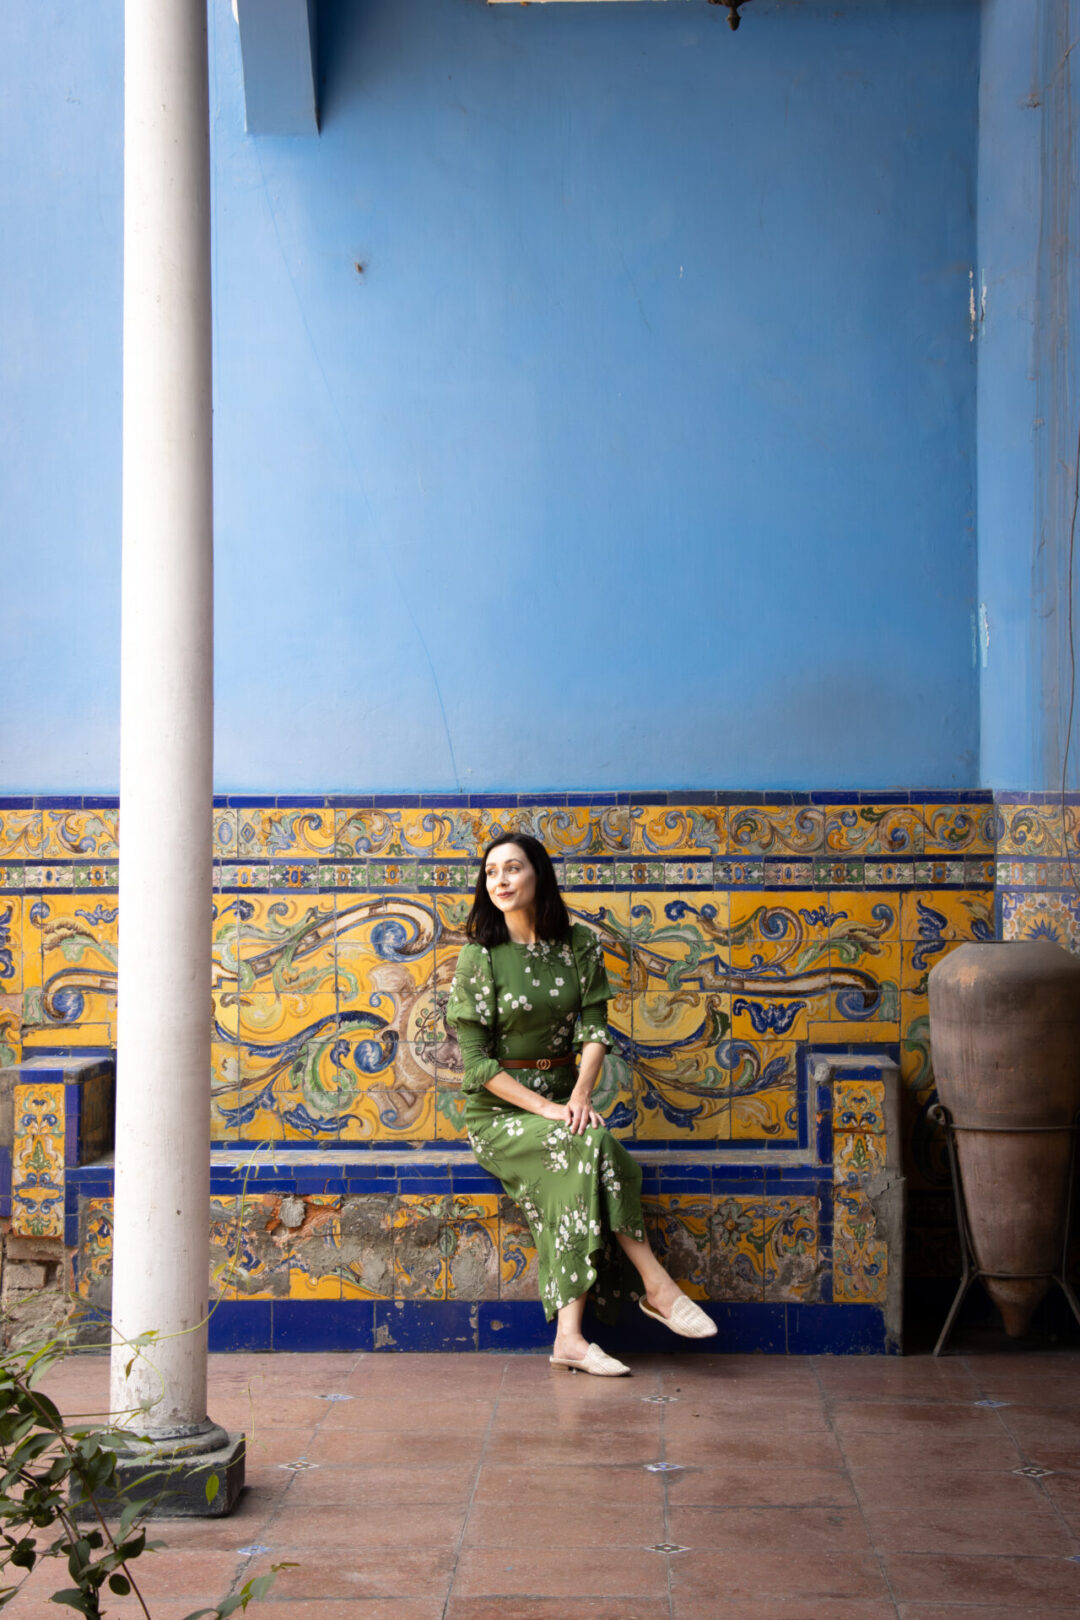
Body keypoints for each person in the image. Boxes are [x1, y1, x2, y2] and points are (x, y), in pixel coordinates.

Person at [446, 832, 717, 1376]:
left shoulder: (580, 946)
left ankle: (571, 1338)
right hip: (500, 1113)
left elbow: (595, 1027)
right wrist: (545, 1110)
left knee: (591, 1146)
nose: (499, 880)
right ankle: (656, 1288)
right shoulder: (481, 957)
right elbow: (475, 1065)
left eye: (512, 868)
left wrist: (577, 1096)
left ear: (538, 876)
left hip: (566, 1102)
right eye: (491, 871)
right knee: (588, 1147)